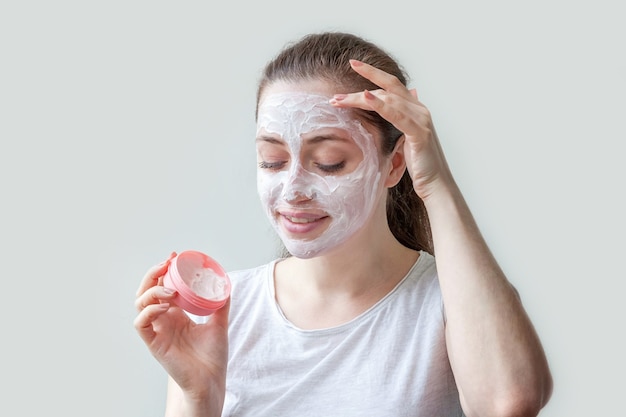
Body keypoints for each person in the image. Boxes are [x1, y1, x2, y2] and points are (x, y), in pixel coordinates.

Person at [134, 31, 553, 417]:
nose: (293, 189)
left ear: (394, 165)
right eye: (272, 161)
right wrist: (199, 397)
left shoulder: (453, 303)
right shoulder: (224, 312)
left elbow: (508, 404)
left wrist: (436, 182)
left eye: (329, 163)